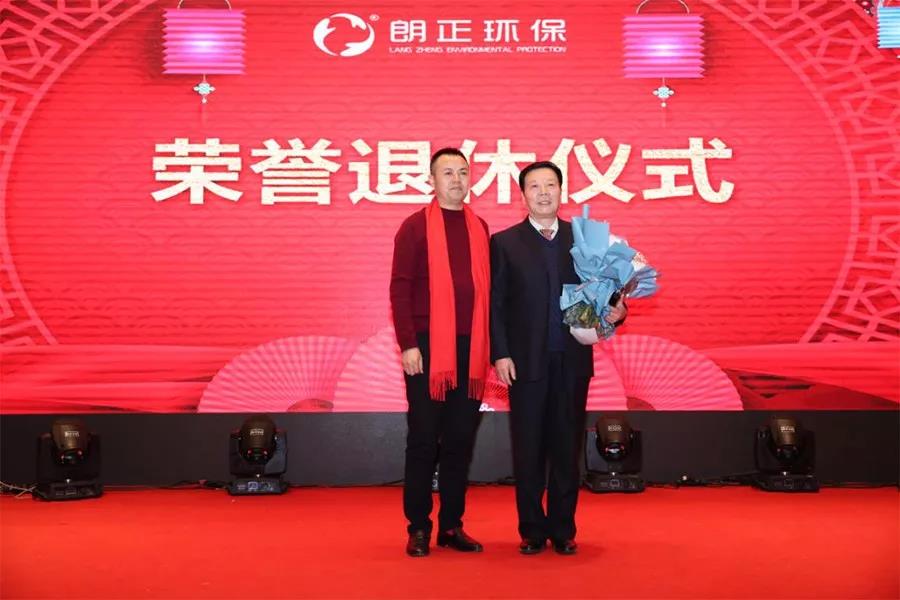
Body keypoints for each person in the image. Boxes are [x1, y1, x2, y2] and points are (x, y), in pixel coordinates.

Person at [490, 161, 627, 555]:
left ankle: (563, 529)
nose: (543, 192)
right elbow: (495, 305)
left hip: (572, 358)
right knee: (529, 448)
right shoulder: (504, 242)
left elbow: (607, 291)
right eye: (534, 186)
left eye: (550, 184)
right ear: (523, 195)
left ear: (561, 191)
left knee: (566, 448)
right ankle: (532, 529)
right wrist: (500, 353)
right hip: (525, 362)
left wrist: (618, 310)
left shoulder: (583, 239)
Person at [390, 147, 491, 557]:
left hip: (472, 349)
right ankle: (418, 526)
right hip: (428, 348)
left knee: (460, 441)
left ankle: (451, 525)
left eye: (463, 172)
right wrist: (408, 344)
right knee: (423, 440)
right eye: (447, 173)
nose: (456, 179)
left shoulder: (479, 227)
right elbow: (399, 288)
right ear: (431, 180)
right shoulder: (414, 227)